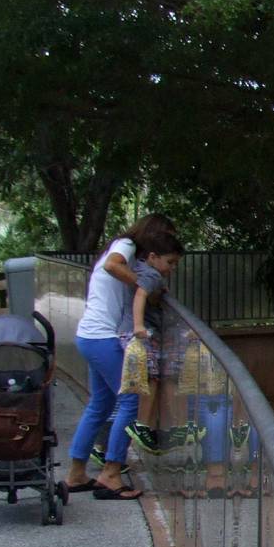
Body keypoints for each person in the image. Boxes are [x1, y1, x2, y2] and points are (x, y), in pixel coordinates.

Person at [64, 214, 180, 501]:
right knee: (130, 400)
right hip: (104, 337)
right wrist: (145, 286)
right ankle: (111, 474)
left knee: (101, 404)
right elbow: (111, 265)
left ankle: (76, 474)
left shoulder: (129, 252)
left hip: (91, 335)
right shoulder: (126, 245)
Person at [118, 233, 185, 454]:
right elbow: (140, 295)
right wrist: (139, 326)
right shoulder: (152, 275)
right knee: (151, 377)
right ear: (153, 257)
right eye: (170, 262)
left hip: (131, 332)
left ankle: (145, 425)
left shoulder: (139, 268)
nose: (172, 268)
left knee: (151, 376)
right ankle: (142, 425)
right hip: (139, 333)